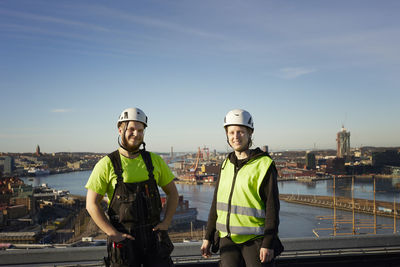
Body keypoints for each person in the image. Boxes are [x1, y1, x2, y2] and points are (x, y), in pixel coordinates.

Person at [85, 107, 179, 267]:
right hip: (124, 245)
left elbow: (173, 194)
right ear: (120, 129)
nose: (136, 134)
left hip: (155, 242)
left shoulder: (154, 161)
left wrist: (166, 223)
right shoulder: (106, 164)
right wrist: (112, 233)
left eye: (140, 130)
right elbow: (91, 204)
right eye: (131, 129)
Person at [200, 109, 283, 267]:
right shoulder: (226, 164)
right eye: (231, 132)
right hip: (227, 239)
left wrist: (268, 242)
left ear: (250, 133)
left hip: (255, 240)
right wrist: (208, 236)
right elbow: (216, 203)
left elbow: (273, 207)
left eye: (240, 132)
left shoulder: (264, 164)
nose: (235, 137)